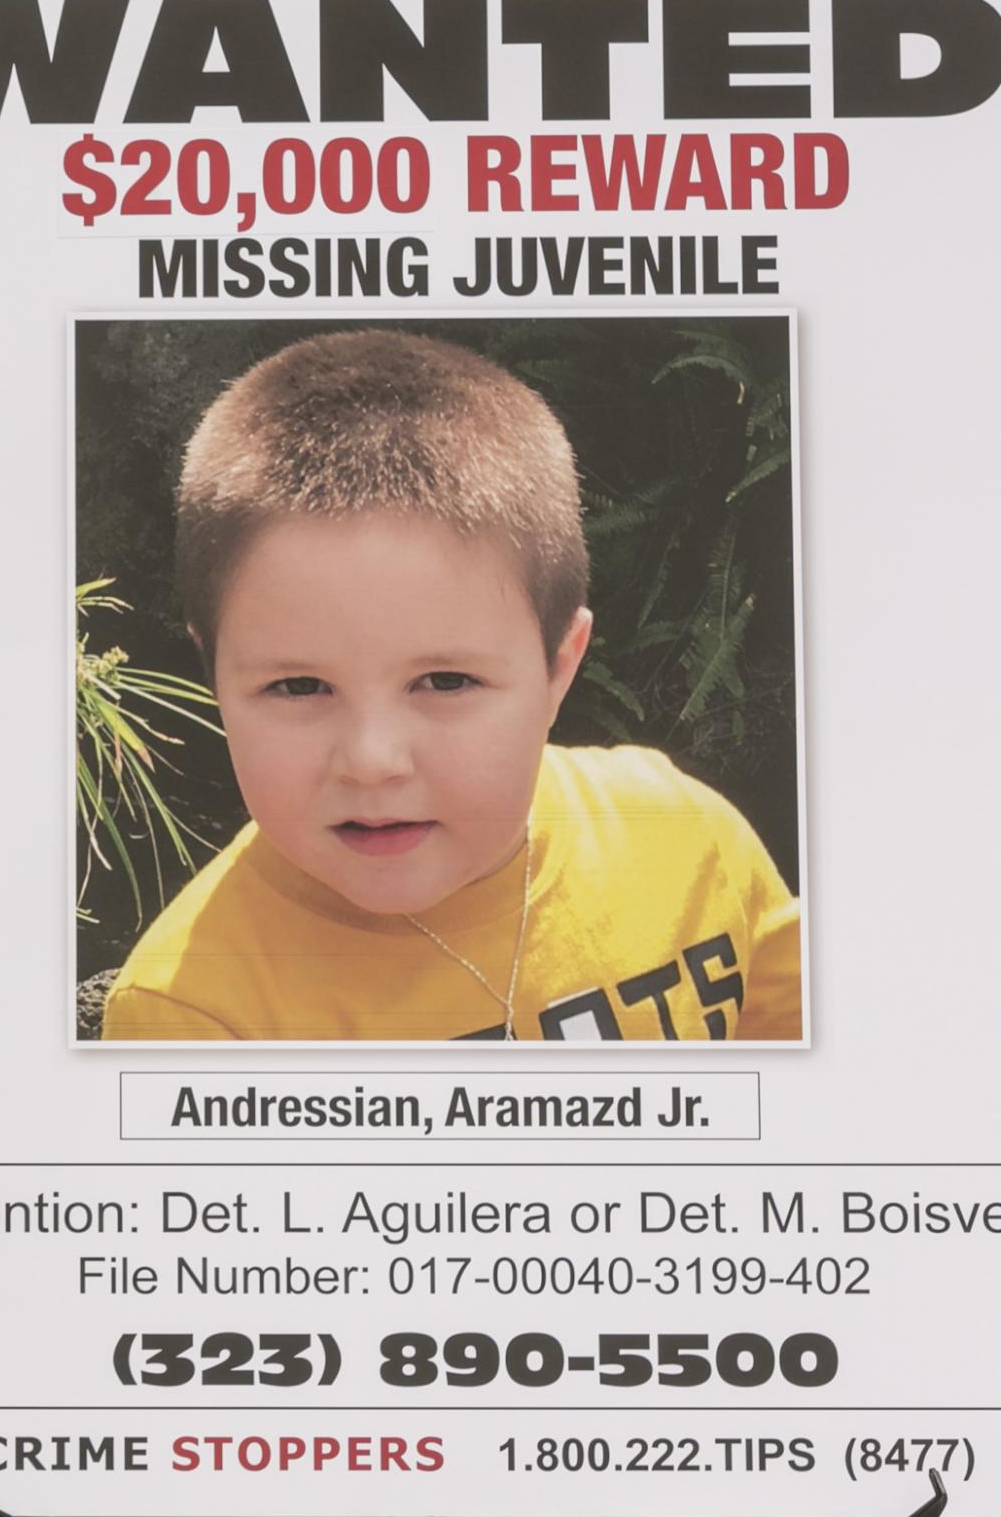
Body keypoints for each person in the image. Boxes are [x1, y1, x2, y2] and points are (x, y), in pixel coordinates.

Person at [103, 328, 801, 1043]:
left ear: (560, 666)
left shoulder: (685, 835)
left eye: (444, 680)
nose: (373, 760)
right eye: (300, 687)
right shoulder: (191, 1015)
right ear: (214, 671)